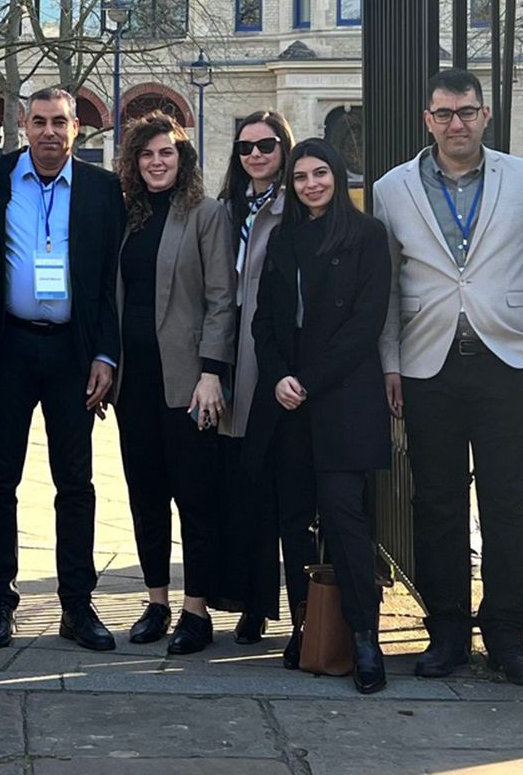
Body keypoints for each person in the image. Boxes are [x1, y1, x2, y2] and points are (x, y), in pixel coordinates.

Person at [371, 69, 523, 686]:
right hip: (429, 366)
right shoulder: (391, 188)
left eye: (467, 111)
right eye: (444, 113)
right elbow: (386, 288)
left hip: (508, 362)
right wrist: (391, 362)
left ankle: (508, 636)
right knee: (436, 504)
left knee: (508, 504)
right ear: (426, 120)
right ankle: (447, 633)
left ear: (486, 115)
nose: (457, 123)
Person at [0, 88, 123, 654]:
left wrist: (106, 355)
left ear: (77, 128)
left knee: (76, 484)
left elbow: (112, 280)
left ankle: (76, 605)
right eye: (38, 122)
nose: (49, 133)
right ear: (22, 125)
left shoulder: (103, 190)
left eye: (60, 122)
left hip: (72, 355)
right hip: (9, 347)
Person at [254, 137, 398, 694]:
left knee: (343, 518)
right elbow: (263, 321)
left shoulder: (366, 236)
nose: (311, 184)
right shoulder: (282, 239)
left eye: (320, 174)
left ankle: (364, 635)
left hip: (341, 398)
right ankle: (304, 625)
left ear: (337, 176)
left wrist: (308, 380)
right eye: (300, 177)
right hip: (288, 400)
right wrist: (279, 378)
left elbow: (365, 324)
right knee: (294, 518)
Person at [111, 113, 239, 655]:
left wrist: (212, 372)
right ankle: (157, 600)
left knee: (194, 495)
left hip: (188, 379)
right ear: (134, 164)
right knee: (145, 494)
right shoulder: (126, 216)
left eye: (166, 153)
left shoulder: (205, 215)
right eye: (146, 155)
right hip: (132, 378)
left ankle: (196, 611)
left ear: (182, 159)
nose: (157, 163)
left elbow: (221, 298)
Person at [213, 111, 306, 648]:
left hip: (274, 352)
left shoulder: (293, 208)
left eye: (266, 145)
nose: (255, 155)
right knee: (241, 486)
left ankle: (298, 609)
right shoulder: (228, 209)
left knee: (280, 484)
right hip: (231, 347)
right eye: (245, 147)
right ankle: (249, 603)